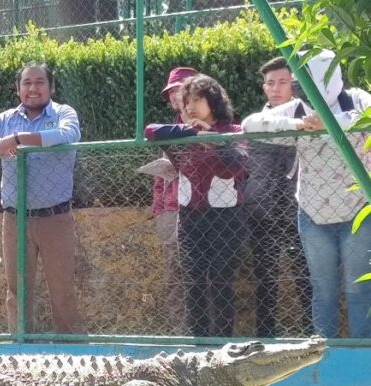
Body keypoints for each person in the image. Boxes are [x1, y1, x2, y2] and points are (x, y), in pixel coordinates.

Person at [242, 50, 371, 338]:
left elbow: (367, 115)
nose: (303, 88)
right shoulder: (298, 108)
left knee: (357, 288)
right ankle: (324, 357)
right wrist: (298, 125)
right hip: (312, 215)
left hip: (358, 212)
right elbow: (251, 124)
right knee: (322, 289)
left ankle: (364, 358)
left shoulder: (357, 98)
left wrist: (330, 123)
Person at [0, 62, 82, 333]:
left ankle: (72, 353)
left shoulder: (63, 113)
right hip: (15, 220)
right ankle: (21, 350)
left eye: (40, 82)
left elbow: (67, 135)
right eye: (26, 83)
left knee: (62, 290)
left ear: (51, 87)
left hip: (55, 217)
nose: (33, 88)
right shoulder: (4, 120)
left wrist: (18, 139)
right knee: (17, 291)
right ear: (18, 89)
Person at [145, 74, 247, 337]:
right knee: (194, 284)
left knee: (221, 283)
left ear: (213, 101)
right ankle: (199, 344)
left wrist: (212, 139)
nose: (189, 106)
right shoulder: (182, 133)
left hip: (227, 219)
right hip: (190, 218)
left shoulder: (233, 131)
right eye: (186, 100)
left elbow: (239, 163)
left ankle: (223, 346)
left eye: (196, 99)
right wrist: (192, 131)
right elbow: (150, 131)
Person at [240, 57, 313, 337]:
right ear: (263, 87)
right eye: (270, 83)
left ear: (293, 84)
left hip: (297, 208)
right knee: (264, 280)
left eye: (282, 82)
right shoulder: (257, 121)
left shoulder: (308, 115)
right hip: (261, 211)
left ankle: (312, 333)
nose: (276, 88)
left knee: (305, 276)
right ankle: (265, 338)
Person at [151, 66, 197, 334]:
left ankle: (210, 336)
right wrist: (159, 210)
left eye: (181, 90)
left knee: (206, 278)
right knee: (175, 278)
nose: (176, 97)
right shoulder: (166, 131)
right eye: (172, 93)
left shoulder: (215, 127)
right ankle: (182, 335)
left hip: (202, 211)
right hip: (170, 212)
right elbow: (159, 179)